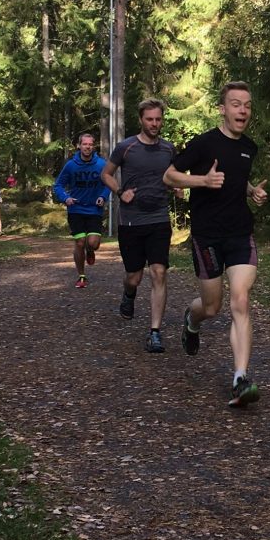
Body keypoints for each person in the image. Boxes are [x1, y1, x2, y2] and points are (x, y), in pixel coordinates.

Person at [163, 81, 268, 408]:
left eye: (247, 105)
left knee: (240, 300)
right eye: (235, 104)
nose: (242, 110)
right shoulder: (203, 144)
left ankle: (240, 378)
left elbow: (237, 176)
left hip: (240, 234)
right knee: (212, 307)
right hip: (207, 236)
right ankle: (191, 321)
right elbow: (169, 176)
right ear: (222, 108)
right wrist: (201, 181)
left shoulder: (249, 147)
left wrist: (252, 191)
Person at [101, 98, 176, 353]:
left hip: (159, 218)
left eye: (158, 119)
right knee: (135, 277)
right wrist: (120, 192)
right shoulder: (126, 147)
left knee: (159, 272)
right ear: (141, 120)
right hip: (131, 221)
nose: (154, 124)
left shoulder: (168, 149)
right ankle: (128, 294)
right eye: (150, 119)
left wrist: (176, 186)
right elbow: (106, 174)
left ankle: (155, 332)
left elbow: (174, 175)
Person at [53, 133, 110, 288]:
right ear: (79, 146)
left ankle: (90, 251)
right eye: (84, 144)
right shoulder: (71, 165)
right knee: (79, 242)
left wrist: (103, 197)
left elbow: (108, 183)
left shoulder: (101, 164)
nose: (87, 147)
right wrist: (66, 198)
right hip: (76, 209)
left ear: (94, 146)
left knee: (92, 243)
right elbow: (57, 185)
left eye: (90, 144)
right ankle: (82, 276)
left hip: (94, 209)